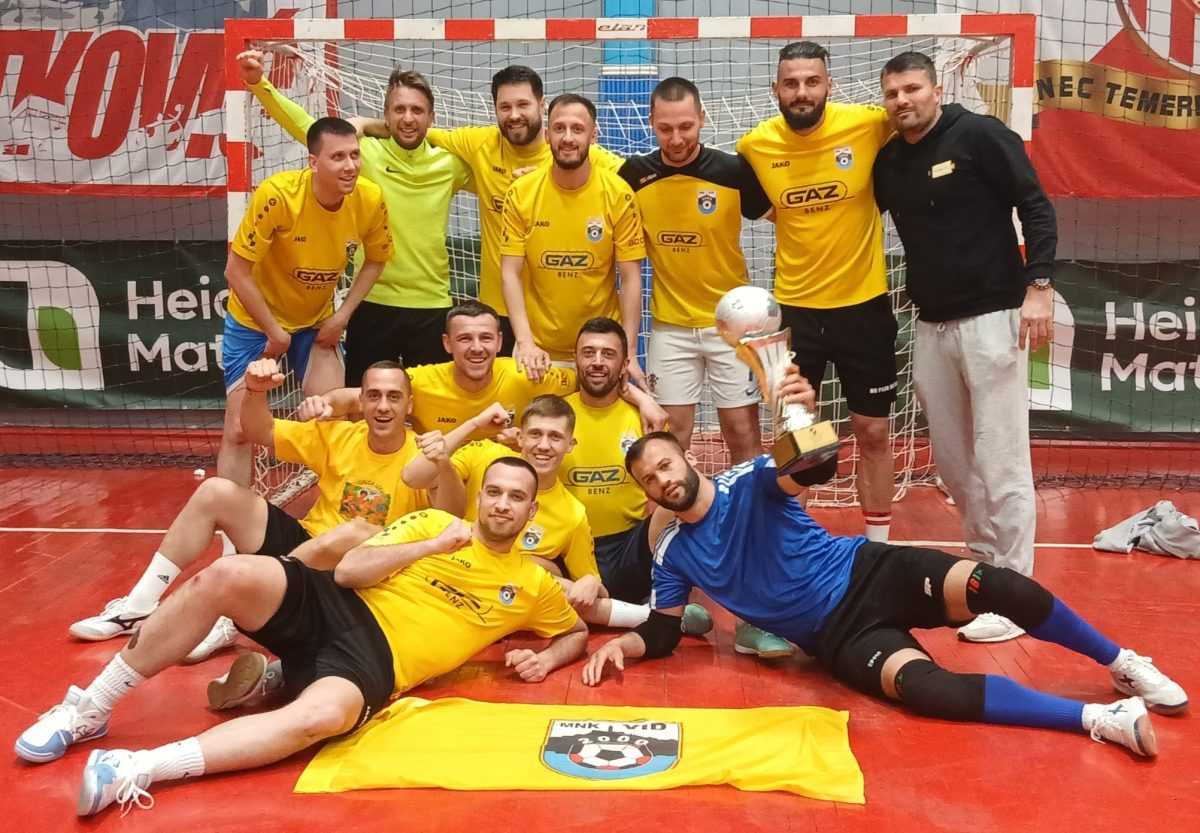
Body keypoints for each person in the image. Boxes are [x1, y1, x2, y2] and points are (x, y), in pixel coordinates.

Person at [16, 459, 588, 817]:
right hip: (339, 604)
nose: (502, 504)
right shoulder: (437, 524)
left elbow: (577, 630)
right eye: (494, 492)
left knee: (321, 718)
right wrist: (432, 547)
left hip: (376, 661)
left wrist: (548, 658)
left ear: (531, 509)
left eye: (516, 497)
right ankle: (89, 708)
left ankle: (135, 768)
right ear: (481, 495)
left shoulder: (534, 584)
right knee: (226, 575)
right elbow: (349, 571)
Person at [580, 431, 1188, 759]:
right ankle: (1097, 719)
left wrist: (800, 420)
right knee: (924, 689)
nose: (662, 479)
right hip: (841, 637)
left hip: (870, 570)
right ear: (646, 493)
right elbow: (664, 631)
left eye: (666, 464)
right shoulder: (673, 553)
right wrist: (620, 646)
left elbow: (813, 465)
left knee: (993, 584)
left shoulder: (750, 479)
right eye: (650, 478)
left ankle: (1121, 663)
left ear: (688, 458)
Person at [64, 358, 428, 663]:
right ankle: (138, 606)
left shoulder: (426, 458)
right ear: (360, 402)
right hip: (304, 546)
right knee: (215, 492)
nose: (383, 406)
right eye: (374, 396)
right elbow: (258, 429)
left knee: (351, 534)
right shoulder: (338, 437)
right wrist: (255, 391)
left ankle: (240, 609)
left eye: (393, 397)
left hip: (358, 575)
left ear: (409, 406)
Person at [872, 52, 1057, 644]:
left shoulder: (979, 134)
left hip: (995, 319)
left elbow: (1035, 205)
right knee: (953, 463)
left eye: (912, 88)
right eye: (892, 93)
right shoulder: (890, 161)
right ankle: (985, 574)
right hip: (931, 326)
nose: (903, 100)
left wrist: (1040, 287)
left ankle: (1018, 593)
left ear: (936, 88)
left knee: (1002, 458)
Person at [737, 41, 897, 543]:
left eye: (812, 81)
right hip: (796, 313)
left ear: (830, 85)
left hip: (864, 307)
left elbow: (926, 130)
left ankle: (877, 549)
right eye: (791, 83)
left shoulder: (869, 125)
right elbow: (754, 204)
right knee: (797, 434)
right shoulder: (755, 146)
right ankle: (792, 548)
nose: (801, 92)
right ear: (775, 89)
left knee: (873, 432)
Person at [238, 51, 473, 383]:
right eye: (399, 109)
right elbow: (306, 127)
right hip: (372, 303)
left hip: (432, 305)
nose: (408, 118)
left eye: (417, 110)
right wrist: (258, 83)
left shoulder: (450, 165)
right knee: (361, 403)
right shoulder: (363, 155)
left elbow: (498, 181)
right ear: (386, 116)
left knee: (427, 405)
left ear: (431, 118)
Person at [219, 117, 391, 485]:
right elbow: (235, 271)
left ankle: (339, 512)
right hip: (254, 324)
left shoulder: (370, 198)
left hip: (315, 324)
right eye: (338, 157)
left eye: (355, 155)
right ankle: (232, 521)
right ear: (314, 162)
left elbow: (377, 260)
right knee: (239, 430)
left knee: (333, 418)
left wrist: (342, 316)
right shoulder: (279, 196)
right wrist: (274, 332)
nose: (350, 166)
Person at [403, 394, 661, 630]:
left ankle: (657, 619)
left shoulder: (572, 513)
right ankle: (648, 617)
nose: (543, 445)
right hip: (452, 577)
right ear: (520, 438)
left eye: (555, 437)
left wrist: (591, 581)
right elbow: (412, 477)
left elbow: (589, 582)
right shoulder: (485, 455)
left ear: (570, 444)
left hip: (511, 599)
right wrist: (474, 424)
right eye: (535, 434)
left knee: (556, 582)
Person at [617, 76, 771, 464]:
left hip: (731, 325)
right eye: (665, 128)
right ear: (651, 122)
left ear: (703, 117)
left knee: (742, 434)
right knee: (670, 439)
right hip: (670, 328)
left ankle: (747, 505)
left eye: (686, 126)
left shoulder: (734, 170)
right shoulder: (633, 176)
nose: (676, 138)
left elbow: (788, 218)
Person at [418, 66, 621, 353]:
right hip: (499, 312)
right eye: (505, 107)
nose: (514, 114)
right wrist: (364, 124)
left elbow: (639, 178)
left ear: (542, 105)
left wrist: (544, 178)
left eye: (523, 104)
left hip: (559, 319)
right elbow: (416, 130)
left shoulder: (577, 153)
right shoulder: (480, 144)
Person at [304, 300, 666, 440]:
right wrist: (322, 404)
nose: (476, 348)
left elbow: (593, 377)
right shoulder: (422, 380)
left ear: (499, 341)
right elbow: (354, 398)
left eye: (485, 338)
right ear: (447, 343)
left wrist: (643, 400)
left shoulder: (527, 376)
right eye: (465, 339)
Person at [560, 318, 713, 637]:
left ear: (624, 364)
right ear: (576, 359)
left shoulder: (646, 419)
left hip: (629, 548)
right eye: (588, 353)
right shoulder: (557, 417)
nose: (597, 362)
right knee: (529, 567)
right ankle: (647, 615)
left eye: (608, 354)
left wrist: (643, 399)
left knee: (686, 488)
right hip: (567, 551)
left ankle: (607, 606)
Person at [500, 93, 647, 388]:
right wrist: (525, 342)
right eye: (559, 128)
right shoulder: (521, 193)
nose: (567, 138)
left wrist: (629, 351)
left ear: (593, 136)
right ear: (546, 135)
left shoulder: (618, 194)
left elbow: (631, 277)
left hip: (599, 349)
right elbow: (510, 272)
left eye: (577, 129)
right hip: (540, 351)